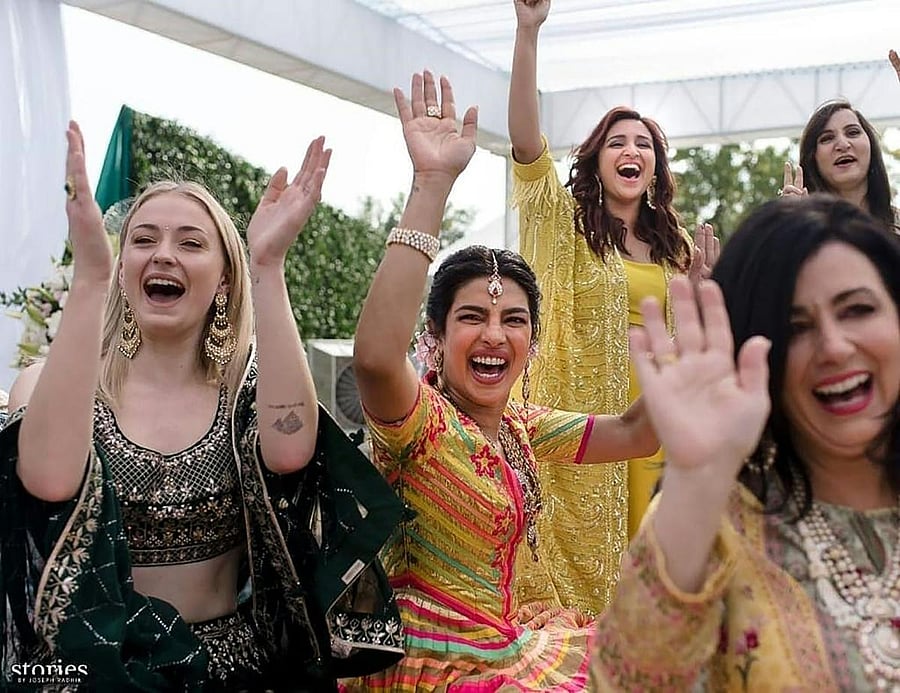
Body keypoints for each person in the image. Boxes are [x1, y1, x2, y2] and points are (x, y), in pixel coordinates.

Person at [0, 122, 404, 691]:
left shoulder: (248, 392)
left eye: (190, 243)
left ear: (221, 279)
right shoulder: (51, 387)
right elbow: (46, 480)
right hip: (101, 672)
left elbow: (291, 452)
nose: (163, 254)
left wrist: (267, 267)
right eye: (143, 240)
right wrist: (90, 281)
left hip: (233, 669)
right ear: (123, 268)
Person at [343, 70, 659, 691]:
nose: (494, 335)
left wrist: (687, 350)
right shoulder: (420, 424)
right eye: (472, 318)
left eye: (513, 320)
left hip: (508, 647)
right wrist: (431, 185)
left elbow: (637, 434)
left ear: (532, 343)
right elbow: (377, 359)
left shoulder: (521, 427)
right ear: (434, 335)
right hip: (431, 668)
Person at [591, 194, 900, 690]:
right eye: (796, 328)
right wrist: (695, 481)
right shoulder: (714, 526)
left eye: (858, 310)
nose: (836, 347)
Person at [507, 0, 718, 614]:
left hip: (656, 422)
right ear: (598, 161)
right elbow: (525, 142)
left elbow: (691, 343)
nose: (632, 150)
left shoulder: (675, 247)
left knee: (657, 568)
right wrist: (528, 32)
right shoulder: (562, 222)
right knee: (582, 581)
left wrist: (701, 297)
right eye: (617, 142)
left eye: (644, 144)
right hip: (585, 423)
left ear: (654, 167)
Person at [780, 49, 900, 232]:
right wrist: (791, 230)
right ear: (813, 158)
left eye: (852, 133)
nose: (843, 145)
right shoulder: (801, 231)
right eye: (827, 138)